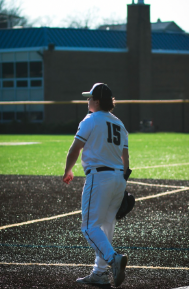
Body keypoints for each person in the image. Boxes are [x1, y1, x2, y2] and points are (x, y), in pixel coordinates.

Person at [63, 83, 129, 287]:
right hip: (118, 178)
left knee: (89, 227)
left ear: (97, 101)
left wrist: (68, 170)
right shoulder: (119, 123)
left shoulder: (90, 119)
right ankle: (99, 273)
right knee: (106, 226)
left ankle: (112, 259)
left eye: (90, 98)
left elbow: (75, 149)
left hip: (99, 178)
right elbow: (125, 158)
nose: (87, 101)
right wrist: (122, 183)